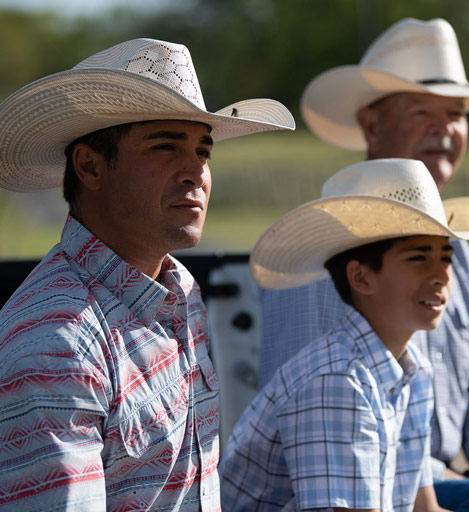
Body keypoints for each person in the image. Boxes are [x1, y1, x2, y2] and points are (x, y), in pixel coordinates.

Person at [0, 38, 294, 511]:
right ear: (90, 167)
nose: (195, 171)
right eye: (165, 147)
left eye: (203, 151)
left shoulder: (179, 290)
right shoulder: (55, 346)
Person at [259, 17, 469, 511]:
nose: (444, 128)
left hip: (427, 486)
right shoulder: (330, 261)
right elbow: (321, 434)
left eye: (456, 113)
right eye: (423, 111)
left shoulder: (462, 260)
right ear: (372, 125)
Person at [220, 158, 469, 512]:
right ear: (361, 278)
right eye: (419, 258)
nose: (441, 276)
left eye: (445, 258)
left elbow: (425, 508)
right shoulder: (337, 381)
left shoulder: (411, 371)